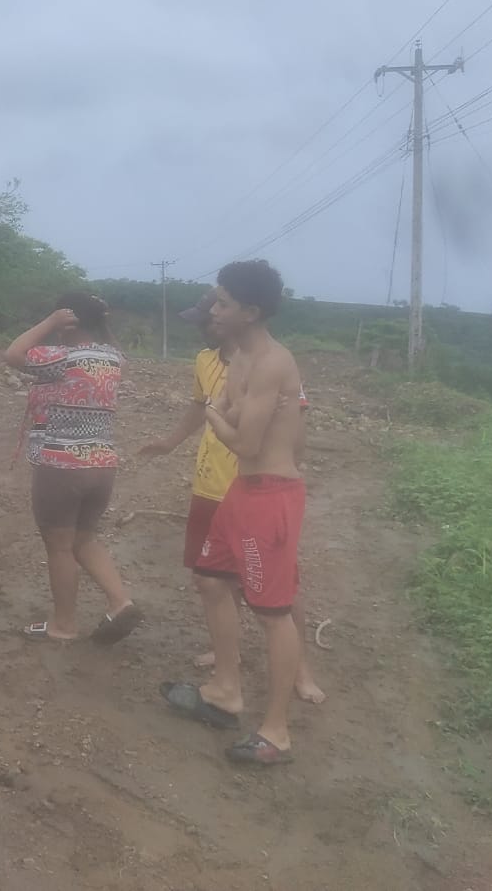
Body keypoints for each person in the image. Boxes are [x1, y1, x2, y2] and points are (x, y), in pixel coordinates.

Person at [138, 290, 325, 703]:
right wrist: (170, 442)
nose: (206, 325)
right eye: (204, 318)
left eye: (212, 316)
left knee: (278, 592)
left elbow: (290, 428)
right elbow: (201, 408)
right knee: (213, 579)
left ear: (243, 315)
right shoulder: (208, 362)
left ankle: (301, 672)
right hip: (214, 484)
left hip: (258, 488)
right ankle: (228, 659)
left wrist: (287, 468)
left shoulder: (272, 363)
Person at [159, 260, 308, 767]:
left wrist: (212, 413)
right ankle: (225, 692)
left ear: (251, 311)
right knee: (209, 580)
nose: (213, 311)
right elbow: (229, 415)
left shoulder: (272, 363)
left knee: (272, 613)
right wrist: (220, 412)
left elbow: (244, 440)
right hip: (242, 490)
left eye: (223, 303)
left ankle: (277, 732)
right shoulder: (240, 357)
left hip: (270, 496)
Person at [2, 292, 141, 645]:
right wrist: (102, 325)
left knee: (60, 546)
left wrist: (49, 323)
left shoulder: (61, 357)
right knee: (83, 539)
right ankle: (120, 601)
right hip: (102, 464)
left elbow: (13, 354)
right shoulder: (113, 359)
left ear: (68, 320)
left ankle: (64, 624)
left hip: (61, 465)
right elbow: (121, 355)